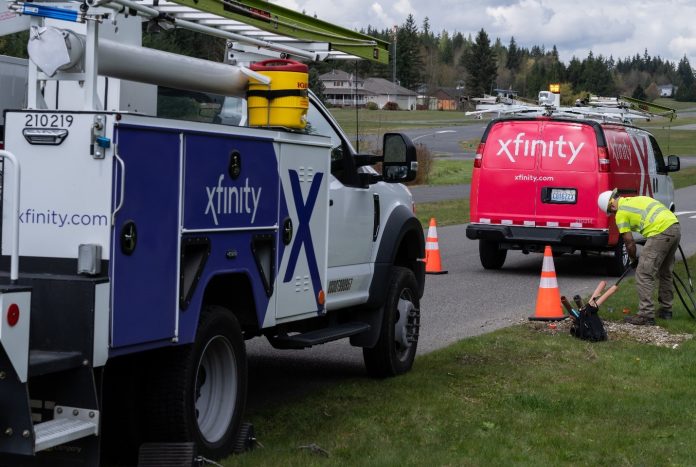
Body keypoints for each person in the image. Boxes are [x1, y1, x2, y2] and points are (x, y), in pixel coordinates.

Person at [597, 189, 681, 325]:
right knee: (665, 272)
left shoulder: (621, 213)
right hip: (674, 227)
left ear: (612, 206)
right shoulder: (637, 199)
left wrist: (633, 260)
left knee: (643, 273)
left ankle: (646, 314)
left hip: (660, 232)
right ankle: (666, 311)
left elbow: (629, 243)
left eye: (611, 212)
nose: (613, 214)